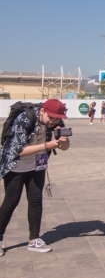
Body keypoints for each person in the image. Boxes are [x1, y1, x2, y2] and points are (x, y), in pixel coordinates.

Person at [0, 99, 71, 254]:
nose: (53, 121)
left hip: (37, 165)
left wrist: (62, 142)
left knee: (36, 200)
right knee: (11, 201)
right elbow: (19, 150)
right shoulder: (24, 118)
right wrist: (47, 145)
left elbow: (65, 147)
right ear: (42, 111)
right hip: (16, 165)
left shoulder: (57, 122)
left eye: (57, 118)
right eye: (50, 117)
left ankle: (34, 239)